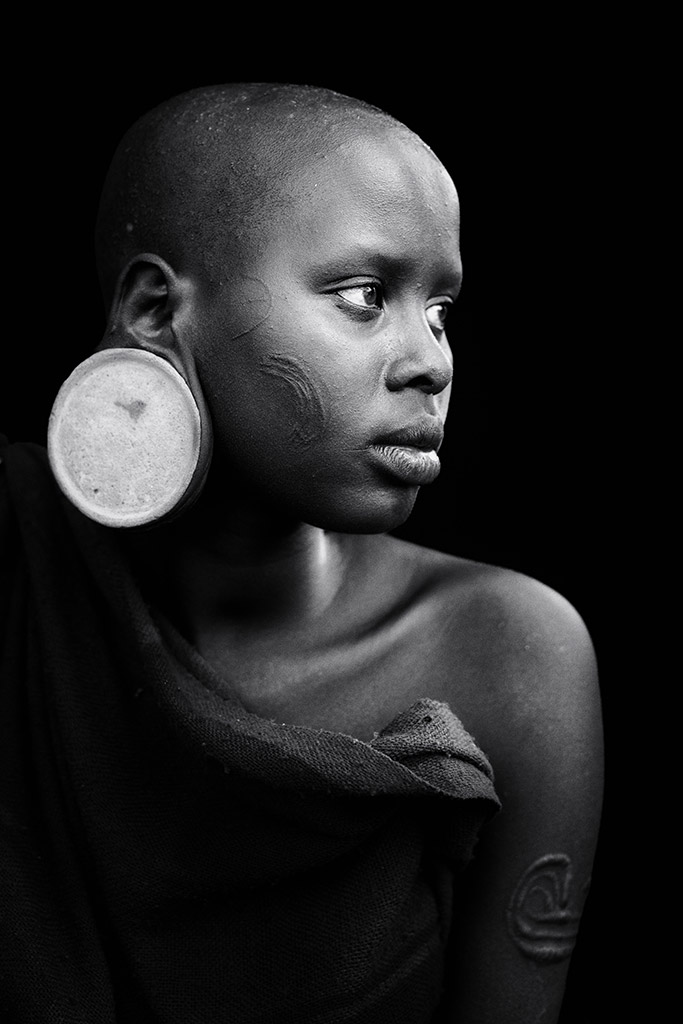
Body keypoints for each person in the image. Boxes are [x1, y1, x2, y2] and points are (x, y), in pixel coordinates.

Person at [0, 82, 603, 1023]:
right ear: (155, 310)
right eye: (365, 298)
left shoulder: (513, 655)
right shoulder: (24, 567)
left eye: (439, 309)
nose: (432, 360)